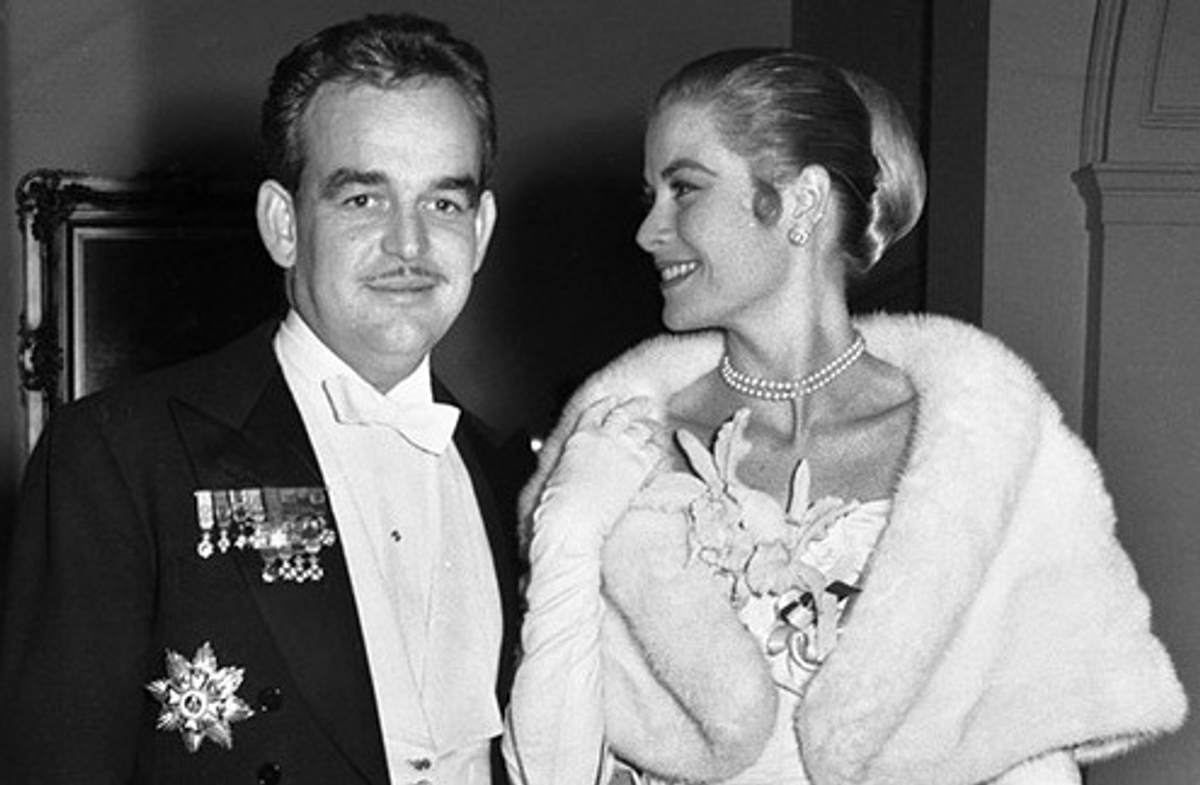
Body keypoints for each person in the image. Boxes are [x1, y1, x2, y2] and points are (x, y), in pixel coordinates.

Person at [502, 49, 1187, 785]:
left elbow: (1034, 763)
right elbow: (549, 771)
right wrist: (569, 530)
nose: (648, 230)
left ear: (801, 203)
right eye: (652, 196)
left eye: (685, 189)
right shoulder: (619, 445)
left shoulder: (987, 451)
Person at [0, 13, 529, 785]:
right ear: (283, 224)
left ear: (480, 231)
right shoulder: (121, 455)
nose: (409, 245)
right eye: (363, 199)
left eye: (443, 204)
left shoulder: (520, 483)